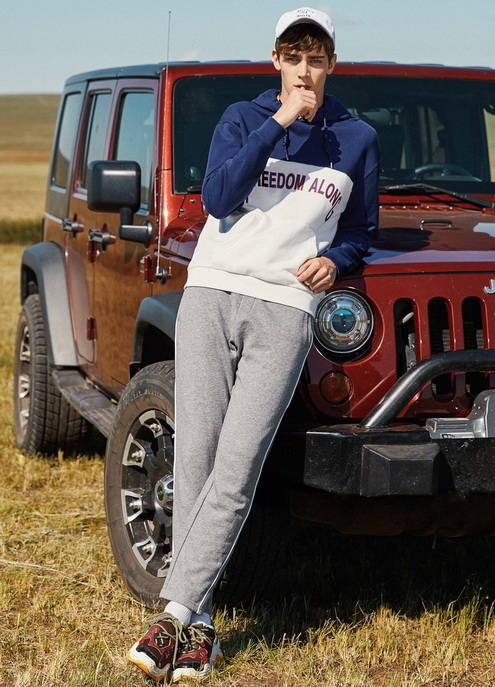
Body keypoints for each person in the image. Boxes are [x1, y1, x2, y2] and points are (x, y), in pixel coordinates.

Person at [128, 6, 380, 683]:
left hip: (285, 310)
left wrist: (337, 260)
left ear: (332, 64)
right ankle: (202, 623)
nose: (304, 70)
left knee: (237, 470)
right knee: (198, 458)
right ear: (276, 61)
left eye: (316, 58)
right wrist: (279, 123)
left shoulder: (357, 139)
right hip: (212, 296)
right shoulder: (243, 119)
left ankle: (172, 614)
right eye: (293, 56)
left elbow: (361, 229)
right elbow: (217, 197)